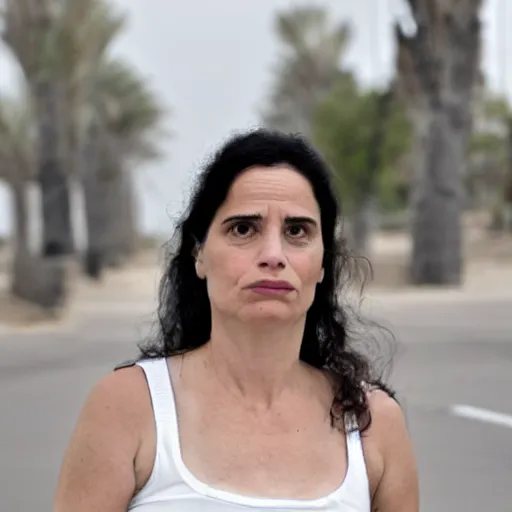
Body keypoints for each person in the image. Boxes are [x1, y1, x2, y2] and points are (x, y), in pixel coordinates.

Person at [53, 129, 419, 511]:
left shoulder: (373, 425)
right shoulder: (130, 405)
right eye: (243, 228)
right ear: (199, 255)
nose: (273, 255)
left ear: (323, 262)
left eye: (297, 231)